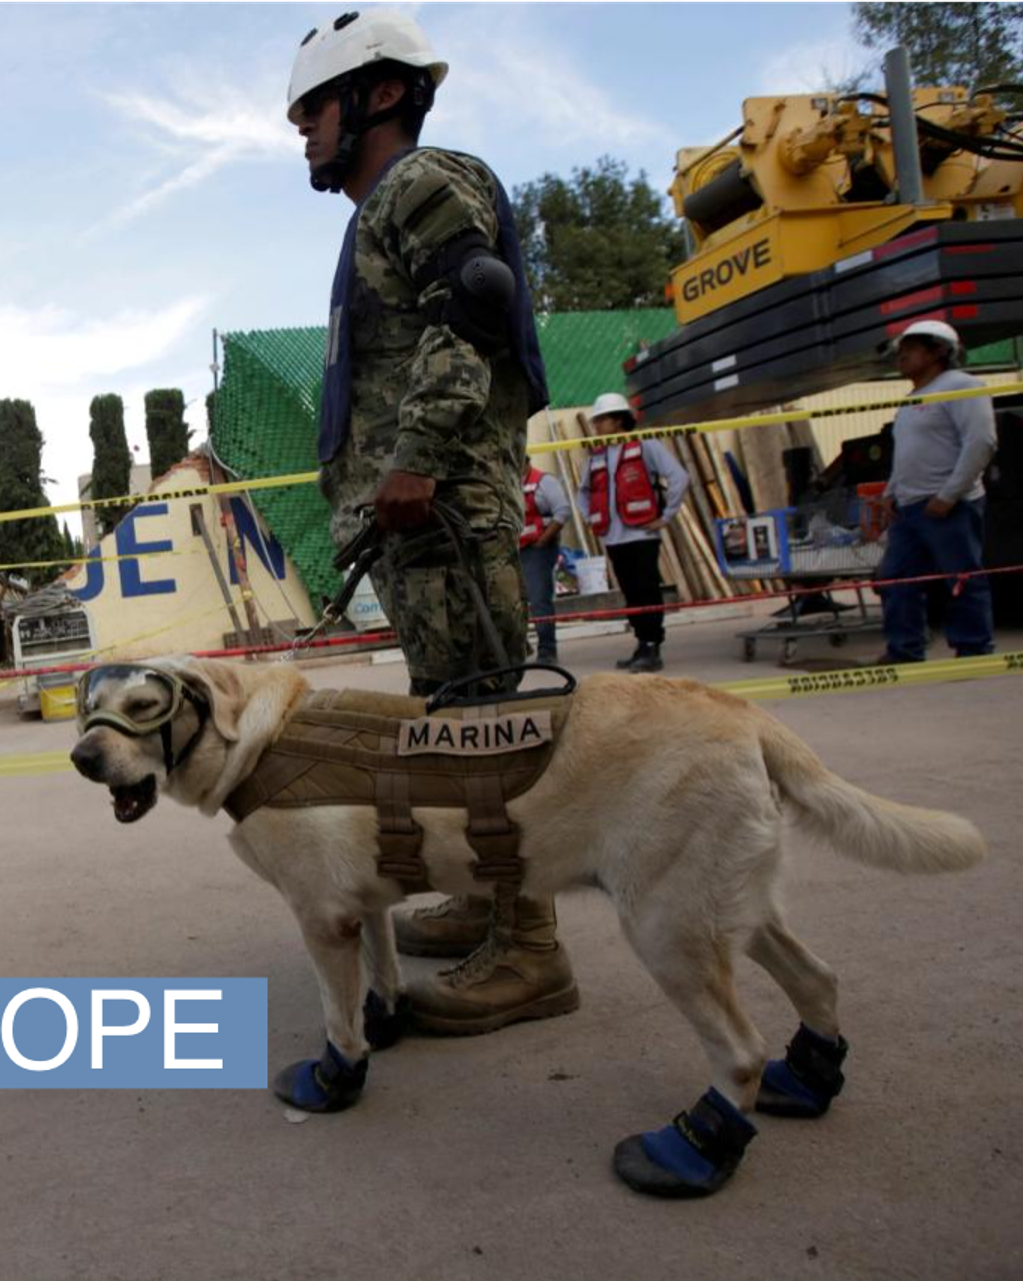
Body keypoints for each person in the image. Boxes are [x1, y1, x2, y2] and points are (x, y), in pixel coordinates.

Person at [289, 8, 578, 1037]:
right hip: (419, 514)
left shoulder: (419, 181)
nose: (303, 130)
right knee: (455, 720)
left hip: (442, 500)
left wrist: (413, 460)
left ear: (376, 95)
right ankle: (488, 901)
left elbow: (472, 309)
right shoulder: (379, 210)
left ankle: (532, 949)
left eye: (314, 107)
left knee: (487, 723)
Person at [876, 319, 997, 663]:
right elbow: (908, 454)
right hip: (910, 507)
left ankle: (974, 649)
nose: (902, 357)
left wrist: (949, 495)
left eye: (911, 350)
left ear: (939, 351)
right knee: (896, 580)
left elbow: (981, 442)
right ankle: (904, 650)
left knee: (961, 579)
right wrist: (890, 492)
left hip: (948, 506)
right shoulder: (913, 399)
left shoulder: (963, 385)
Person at [576, 393, 689, 673]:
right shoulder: (597, 454)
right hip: (613, 537)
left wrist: (665, 517)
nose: (597, 425)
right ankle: (642, 643)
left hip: (640, 536)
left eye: (601, 420)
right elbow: (583, 491)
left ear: (618, 420)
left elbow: (678, 477)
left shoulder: (646, 446)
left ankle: (652, 646)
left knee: (646, 590)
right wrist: (591, 517)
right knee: (631, 593)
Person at [520, 463, 571, 664]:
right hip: (513, 550)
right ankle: (520, 648)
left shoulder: (543, 482)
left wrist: (544, 539)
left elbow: (562, 511)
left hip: (537, 549)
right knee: (513, 602)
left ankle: (547, 650)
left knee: (539, 599)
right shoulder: (506, 483)